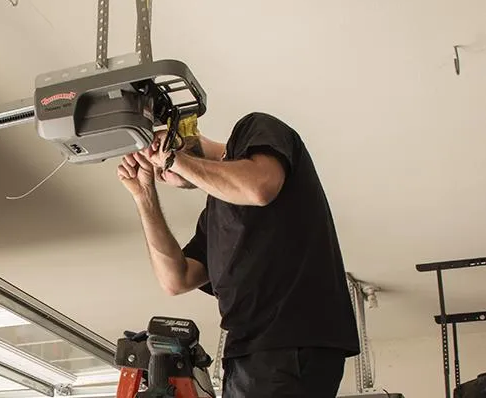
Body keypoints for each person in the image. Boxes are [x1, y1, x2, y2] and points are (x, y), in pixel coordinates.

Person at [117, 112, 360, 397]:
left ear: (181, 135)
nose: (162, 171)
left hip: (286, 344)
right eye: (159, 171)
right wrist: (144, 194)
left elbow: (259, 187)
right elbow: (175, 278)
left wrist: (174, 159)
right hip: (249, 356)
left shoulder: (255, 128)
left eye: (160, 152)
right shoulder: (214, 215)